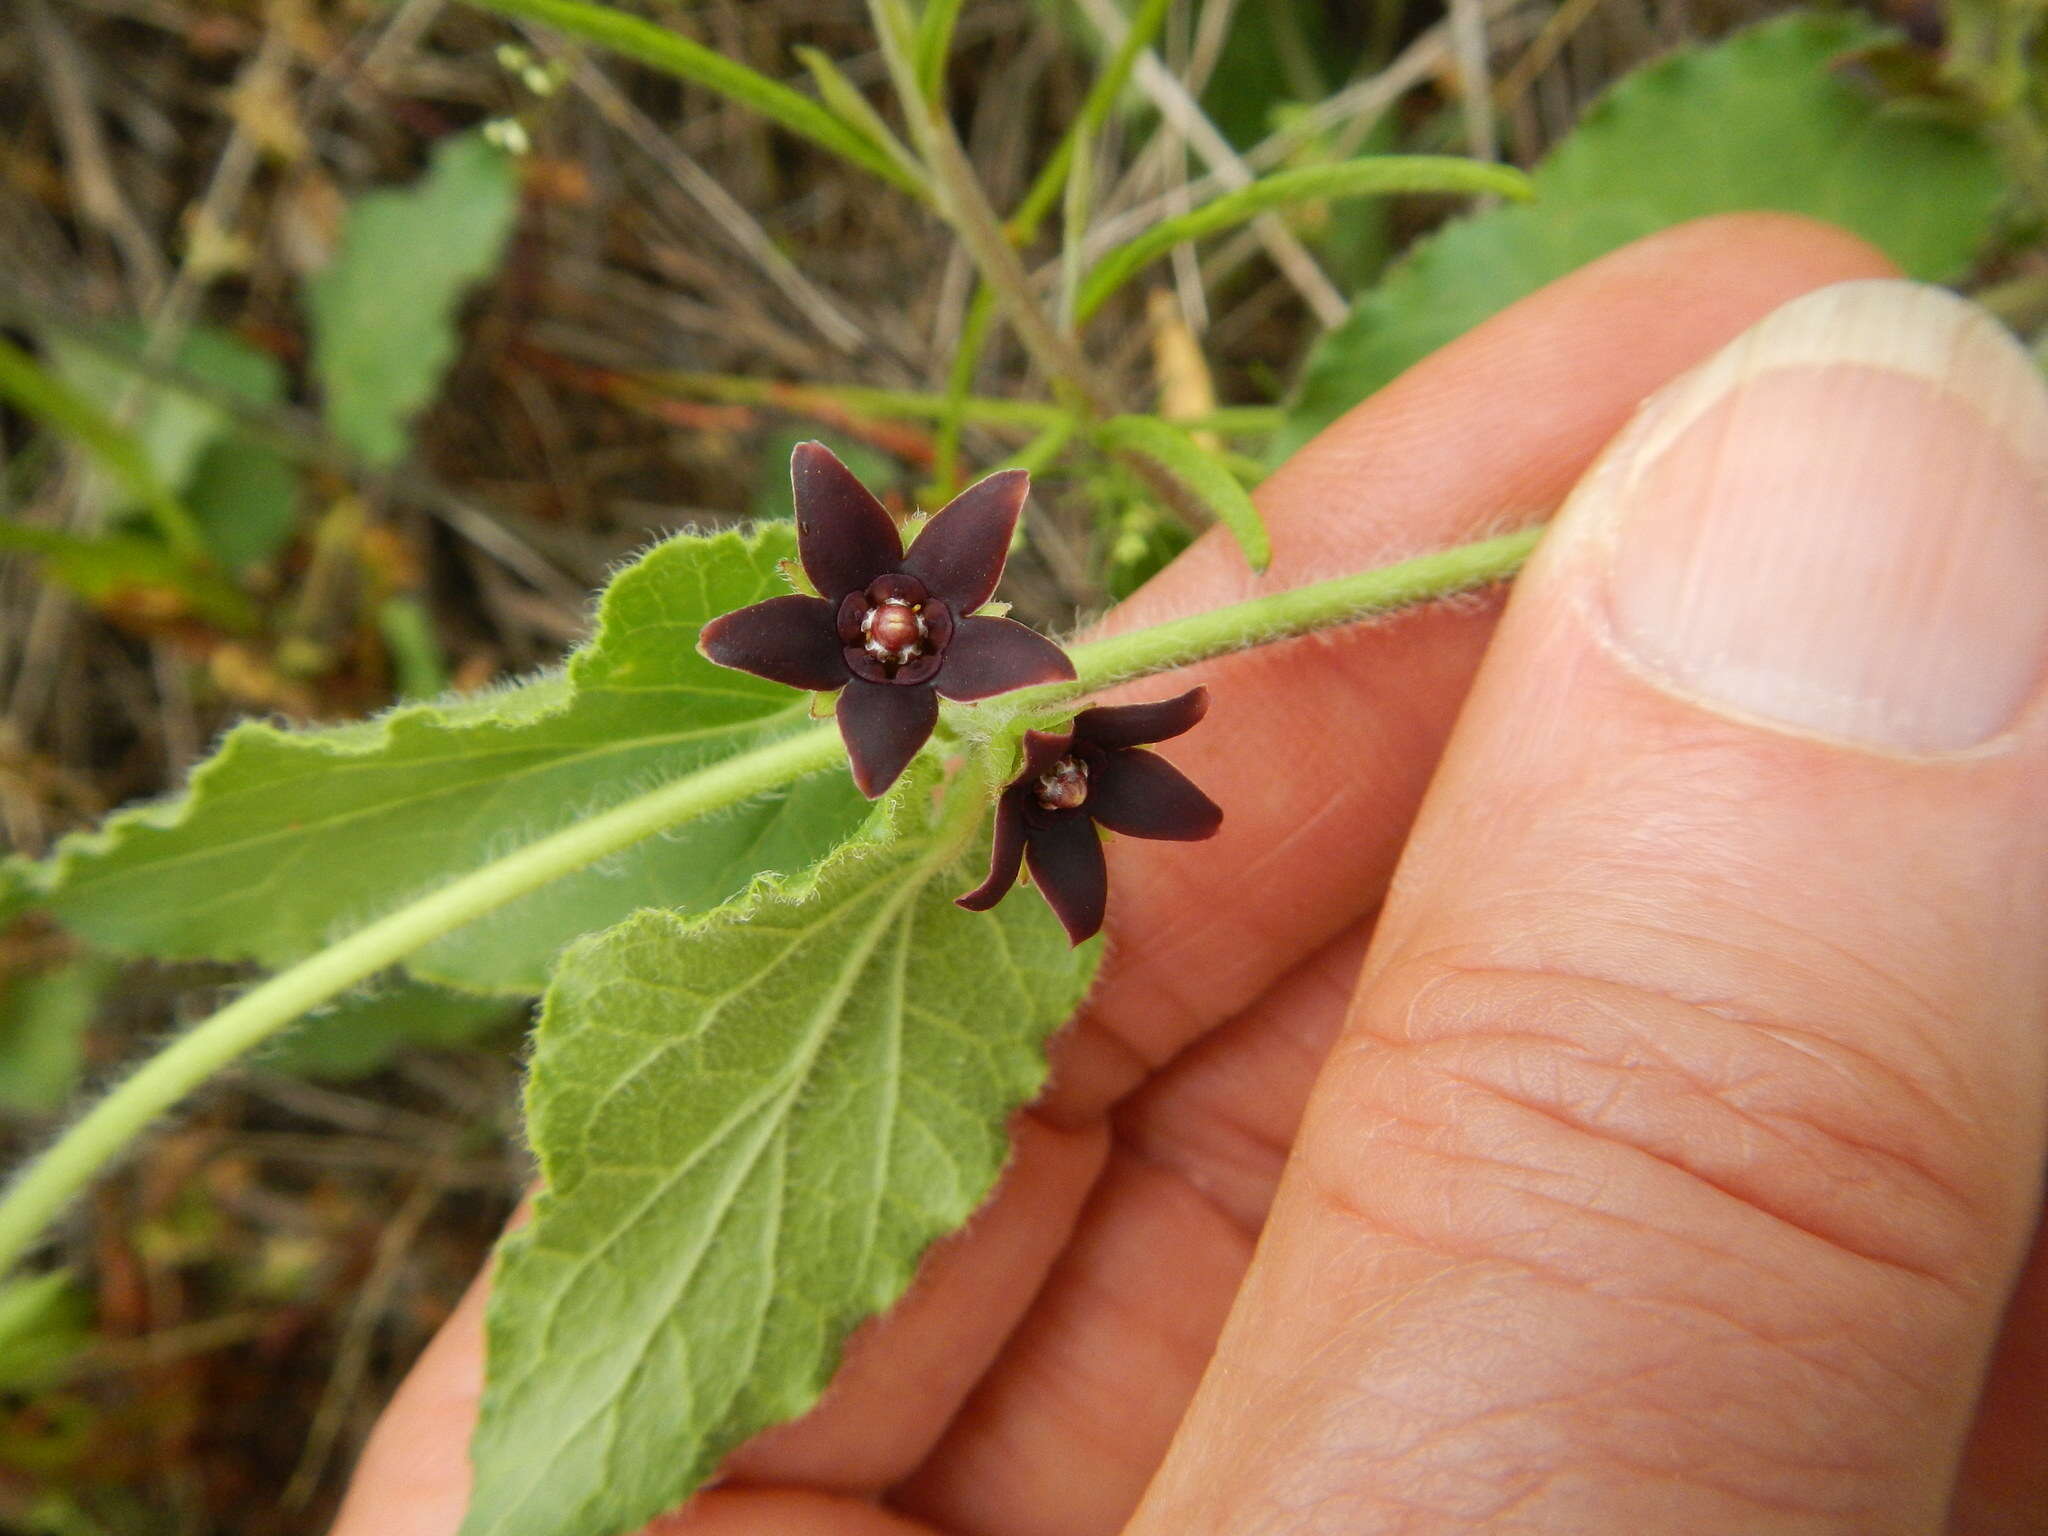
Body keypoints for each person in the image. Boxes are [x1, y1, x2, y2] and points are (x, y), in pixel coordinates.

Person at [332, 215, 2048, 1536]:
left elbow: (1067, 749)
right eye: (876, 625)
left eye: (907, 618)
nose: (890, 623)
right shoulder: (891, 698)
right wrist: (1004, 767)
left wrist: (1025, 757)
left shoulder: (986, 687)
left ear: (944, 611)